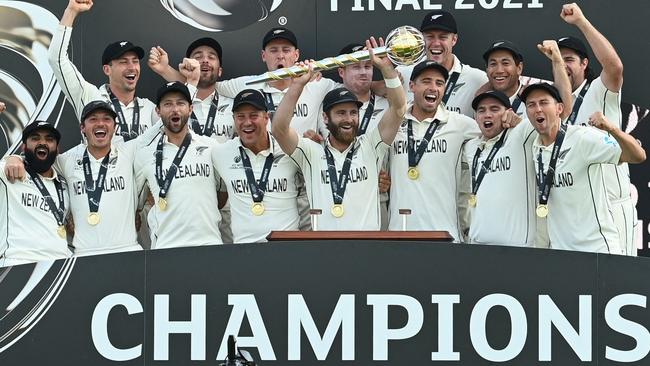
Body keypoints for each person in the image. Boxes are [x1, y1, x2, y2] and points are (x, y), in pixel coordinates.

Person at [272, 37, 406, 230]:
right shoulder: (311, 152)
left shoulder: (371, 145)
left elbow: (399, 109)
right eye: (341, 113)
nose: (348, 119)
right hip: (325, 250)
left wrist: (386, 69)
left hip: (366, 248)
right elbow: (279, 129)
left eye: (353, 113)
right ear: (325, 118)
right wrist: (297, 86)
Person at [5, 101, 144, 256]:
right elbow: (38, 159)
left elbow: (161, 130)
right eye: (93, 119)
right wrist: (13, 158)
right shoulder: (66, 160)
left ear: (114, 126)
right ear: (82, 128)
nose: (100, 123)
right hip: (81, 258)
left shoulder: (130, 151)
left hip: (128, 252)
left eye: (106, 119)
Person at [522, 83, 645, 253]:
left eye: (544, 102)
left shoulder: (582, 138)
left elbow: (638, 155)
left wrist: (611, 128)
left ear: (559, 108)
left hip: (597, 250)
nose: (537, 109)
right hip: (561, 251)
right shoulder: (534, 147)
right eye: (531, 105)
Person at [557, 2, 635, 255]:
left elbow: (615, 67)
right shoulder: (552, 105)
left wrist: (580, 22)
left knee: (619, 283)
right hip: (575, 213)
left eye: (569, 59)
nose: (564, 65)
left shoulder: (598, 89)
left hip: (612, 205)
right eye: (558, 60)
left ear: (584, 64)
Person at [387, 60, 480, 241]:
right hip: (399, 233)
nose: (433, 87)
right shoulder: (393, 122)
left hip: (445, 234)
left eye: (439, 83)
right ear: (412, 86)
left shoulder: (460, 124)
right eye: (426, 81)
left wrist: (511, 121)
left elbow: (494, 136)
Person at [48, 0, 157, 140]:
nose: (132, 67)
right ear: (107, 70)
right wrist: (71, 11)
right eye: (123, 62)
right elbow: (56, 59)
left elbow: (184, 123)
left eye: (135, 61)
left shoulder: (150, 109)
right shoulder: (90, 96)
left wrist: (165, 70)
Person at [134, 82, 224, 248]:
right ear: (158, 111)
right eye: (168, 104)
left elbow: (223, 195)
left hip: (209, 245)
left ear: (190, 109)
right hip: (165, 248)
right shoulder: (144, 155)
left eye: (180, 103)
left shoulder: (212, 147)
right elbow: (135, 206)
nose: (175, 109)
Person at [212, 89, 301, 242]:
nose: (247, 122)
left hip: (287, 248)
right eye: (240, 116)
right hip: (245, 250)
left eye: (254, 115)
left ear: (266, 118)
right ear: (233, 119)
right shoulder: (219, 153)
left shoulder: (289, 149)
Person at [464, 91, 536, 246]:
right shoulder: (470, 147)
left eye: (494, 109)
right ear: (476, 118)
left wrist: (520, 121)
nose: (487, 114)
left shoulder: (521, 134)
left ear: (508, 113)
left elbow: (550, 121)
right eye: (481, 110)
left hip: (517, 248)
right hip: (478, 245)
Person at [0, 121, 70, 267]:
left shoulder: (64, 186)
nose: (42, 143)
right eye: (35, 138)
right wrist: (11, 158)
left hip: (61, 264)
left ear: (57, 149)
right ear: (23, 147)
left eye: (49, 139)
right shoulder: (7, 170)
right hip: (18, 264)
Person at [396, 10, 487, 117]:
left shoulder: (478, 79)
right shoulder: (403, 72)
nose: (436, 43)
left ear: (454, 39)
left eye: (443, 37)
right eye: (430, 37)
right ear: (421, 39)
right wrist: (376, 86)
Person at [149, 37, 235, 142]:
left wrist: (166, 70)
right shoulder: (169, 107)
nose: (205, 60)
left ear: (220, 71)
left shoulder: (235, 107)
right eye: (198, 57)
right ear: (186, 65)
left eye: (211, 57)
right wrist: (165, 70)